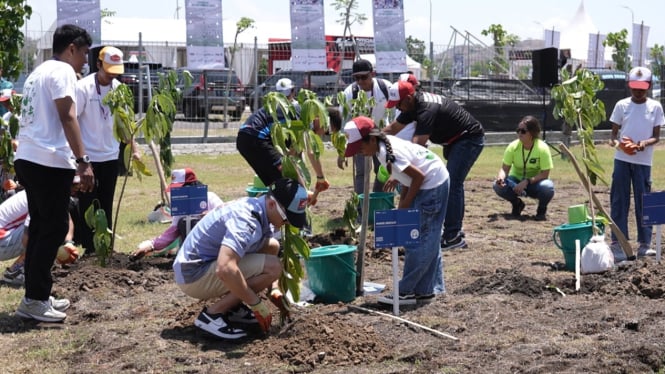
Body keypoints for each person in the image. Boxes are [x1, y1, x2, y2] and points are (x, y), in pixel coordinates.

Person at [13, 24, 94, 322]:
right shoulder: (62, 71)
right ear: (71, 47)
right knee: (54, 228)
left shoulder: (39, 72)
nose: (85, 60)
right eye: (84, 53)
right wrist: (83, 160)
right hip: (47, 160)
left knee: (41, 228)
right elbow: (67, 114)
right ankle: (34, 300)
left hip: (29, 157)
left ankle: (36, 294)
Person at [173, 177, 308, 340]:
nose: (287, 223)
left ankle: (233, 307)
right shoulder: (246, 221)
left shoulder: (257, 208)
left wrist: (274, 288)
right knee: (273, 267)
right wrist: (255, 303)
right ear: (272, 204)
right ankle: (212, 315)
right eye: (287, 218)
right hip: (193, 275)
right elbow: (225, 268)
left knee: (272, 246)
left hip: (197, 266)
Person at [343, 116, 450, 305]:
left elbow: (418, 177)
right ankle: (426, 290)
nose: (359, 152)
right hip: (433, 180)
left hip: (432, 184)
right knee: (429, 238)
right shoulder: (383, 148)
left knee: (419, 239)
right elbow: (410, 177)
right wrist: (401, 191)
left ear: (372, 139)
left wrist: (406, 204)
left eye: (360, 147)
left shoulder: (387, 153)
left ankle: (406, 291)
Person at [385, 80, 485, 250]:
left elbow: (417, 148)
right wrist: (371, 138)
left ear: (408, 98)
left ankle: (453, 236)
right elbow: (392, 129)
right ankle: (453, 231)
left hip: (468, 139)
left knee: (452, 183)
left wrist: (398, 173)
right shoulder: (411, 106)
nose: (398, 109)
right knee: (452, 183)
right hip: (453, 142)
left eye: (398, 104)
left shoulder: (426, 109)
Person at [73, 46, 138, 254]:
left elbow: (125, 123)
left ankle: (106, 249)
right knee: (88, 204)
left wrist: (134, 148)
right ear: (98, 64)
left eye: (115, 71)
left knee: (106, 204)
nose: (111, 75)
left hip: (110, 157)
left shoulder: (119, 89)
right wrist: (79, 160)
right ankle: (89, 250)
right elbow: (72, 121)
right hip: (87, 159)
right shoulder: (83, 88)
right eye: (108, 70)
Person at [237, 77, 329, 196]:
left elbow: (289, 155)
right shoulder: (298, 111)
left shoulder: (274, 107)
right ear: (293, 91)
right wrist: (320, 178)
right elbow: (310, 152)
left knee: (276, 184)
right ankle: (300, 199)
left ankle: (273, 208)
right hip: (257, 137)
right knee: (287, 182)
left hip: (243, 138)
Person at [608, 67, 664, 262]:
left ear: (648, 86)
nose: (638, 91)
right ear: (629, 86)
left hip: (643, 161)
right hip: (622, 160)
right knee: (619, 200)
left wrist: (642, 144)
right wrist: (622, 146)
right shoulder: (621, 105)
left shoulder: (655, 107)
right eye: (634, 87)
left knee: (644, 200)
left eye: (642, 87)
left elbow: (656, 136)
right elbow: (613, 136)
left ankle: (645, 244)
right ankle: (618, 242)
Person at [131, 168, 224, 259]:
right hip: (191, 251)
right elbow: (172, 232)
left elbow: (225, 218)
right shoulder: (181, 206)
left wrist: (211, 216)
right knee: (184, 222)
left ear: (189, 187)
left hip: (215, 246)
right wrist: (150, 246)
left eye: (179, 189)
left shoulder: (210, 198)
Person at [338, 59, 392, 194]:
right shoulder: (350, 93)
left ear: (372, 74)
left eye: (364, 77)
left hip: (380, 135)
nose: (361, 81)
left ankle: (377, 201)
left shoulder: (385, 87)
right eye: (357, 78)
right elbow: (344, 122)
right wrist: (341, 150)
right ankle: (361, 206)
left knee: (382, 170)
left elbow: (396, 112)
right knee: (361, 172)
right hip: (359, 138)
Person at [493, 115, 555, 220]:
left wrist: (527, 181)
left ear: (532, 133)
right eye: (518, 130)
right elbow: (504, 169)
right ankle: (517, 204)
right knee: (497, 185)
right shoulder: (512, 147)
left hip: (535, 183)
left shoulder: (542, 148)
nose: (519, 133)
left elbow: (545, 174)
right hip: (515, 182)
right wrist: (500, 178)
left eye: (523, 131)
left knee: (548, 187)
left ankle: (541, 210)